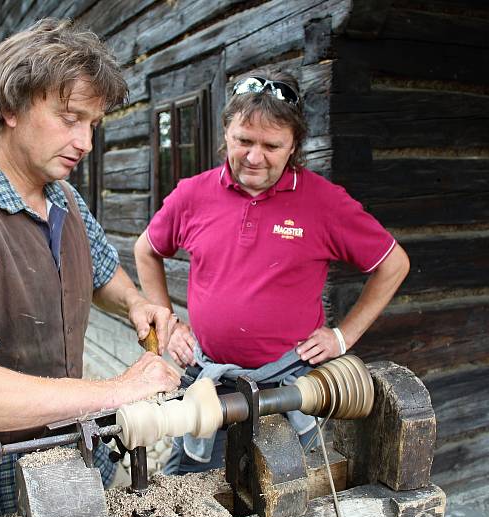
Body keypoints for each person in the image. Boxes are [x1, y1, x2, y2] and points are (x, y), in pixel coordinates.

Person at [0, 19, 180, 517]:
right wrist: (117, 391)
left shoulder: (62, 194)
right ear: (11, 106)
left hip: (65, 461)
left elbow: (99, 269)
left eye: (92, 123)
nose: (86, 142)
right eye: (71, 118)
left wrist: (136, 304)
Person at [134, 69, 410, 474]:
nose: (254, 156)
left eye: (271, 145)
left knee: (286, 490)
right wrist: (169, 325)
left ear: (294, 144)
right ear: (226, 130)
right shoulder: (193, 194)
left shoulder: (324, 202)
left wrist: (342, 335)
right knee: (191, 496)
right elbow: (146, 250)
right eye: (243, 140)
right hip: (208, 382)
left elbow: (393, 263)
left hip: (289, 387)